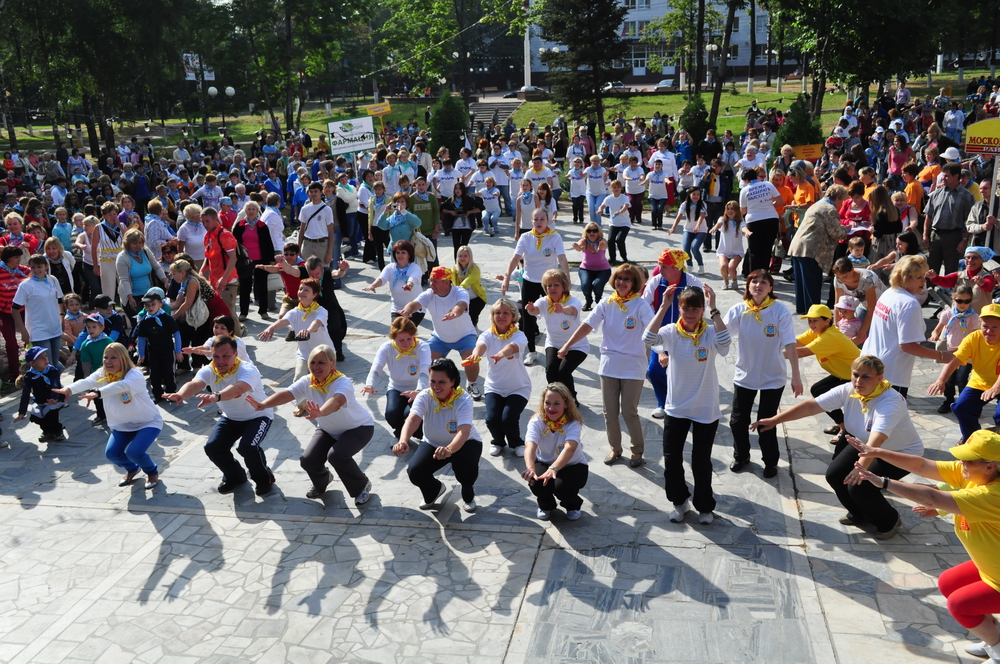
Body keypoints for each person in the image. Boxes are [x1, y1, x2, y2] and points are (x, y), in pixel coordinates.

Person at [846, 430, 1000, 660]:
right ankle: (995, 634)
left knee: (960, 605)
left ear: (990, 466)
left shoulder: (994, 495)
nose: (961, 463)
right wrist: (877, 452)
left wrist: (883, 482)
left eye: (967, 459)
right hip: (991, 569)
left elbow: (933, 497)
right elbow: (922, 465)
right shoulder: (976, 475)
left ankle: (997, 648)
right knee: (949, 583)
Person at [754, 355, 922, 539]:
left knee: (860, 486)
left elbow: (877, 441)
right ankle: (860, 513)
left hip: (899, 453)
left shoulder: (890, 402)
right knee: (835, 475)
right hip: (865, 443)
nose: (858, 381)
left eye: (866, 376)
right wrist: (775, 420)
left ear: (880, 379)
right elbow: (812, 406)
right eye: (856, 375)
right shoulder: (849, 390)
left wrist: (861, 469)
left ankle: (889, 520)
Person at [643, 284, 730, 524]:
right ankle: (680, 502)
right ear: (679, 309)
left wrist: (714, 309)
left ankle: (704, 506)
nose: (690, 313)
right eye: (685, 308)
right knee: (671, 460)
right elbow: (648, 338)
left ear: (701, 309)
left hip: (705, 409)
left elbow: (725, 346)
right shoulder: (671, 331)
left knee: (701, 461)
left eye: (695, 308)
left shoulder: (710, 332)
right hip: (676, 407)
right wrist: (663, 306)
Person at [248, 344, 374, 504]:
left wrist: (320, 412)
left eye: (321, 362)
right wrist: (264, 404)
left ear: (332, 363)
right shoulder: (307, 381)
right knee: (308, 460)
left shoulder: (342, 382)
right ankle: (323, 480)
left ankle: (361, 486)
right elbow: (287, 394)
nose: (316, 366)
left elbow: (336, 401)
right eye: (313, 362)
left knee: (337, 455)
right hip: (329, 429)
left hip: (358, 428)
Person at [560, 263, 652, 467]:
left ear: (634, 283)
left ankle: (637, 450)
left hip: (633, 364)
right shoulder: (606, 303)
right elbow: (587, 325)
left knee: (629, 411)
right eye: (619, 278)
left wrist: (663, 353)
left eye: (627, 279)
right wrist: (567, 344)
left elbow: (652, 330)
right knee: (609, 411)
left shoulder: (641, 305)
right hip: (610, 363)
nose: (622, 282)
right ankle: (615, 448)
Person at [163, 336, 277, 496]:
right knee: (213, 448)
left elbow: (238, 389)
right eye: (216, 356)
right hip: (231, 417)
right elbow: (195, 384)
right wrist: (180, 394)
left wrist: (216, 396)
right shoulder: (209, 370)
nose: (220, 361)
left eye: (226, 356)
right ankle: (236, 476)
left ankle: (263, 479)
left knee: (247, 447)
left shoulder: (248, 369)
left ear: (236, 354)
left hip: (258, 416)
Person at [725, 270, 802, 478]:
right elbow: (721, 336)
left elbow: (790, 344)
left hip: (772, 377)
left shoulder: (779, 311)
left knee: (766, 423)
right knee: (737, 421)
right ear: (748, 286)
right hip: (745, 375)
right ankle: (741, 456)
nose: (758, 285)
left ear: (771, 288)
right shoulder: (738, 310)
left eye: (764, 282)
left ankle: (770, 462)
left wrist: (796, 375)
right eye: (754, 282)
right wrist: (713, 310)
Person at [55, 343, 162, 490]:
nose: (108, 361)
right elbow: (87, 381)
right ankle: (132, 469)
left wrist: (98, 393)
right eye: (106, 357)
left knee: (134, 452)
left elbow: (121, 386)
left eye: (113, 358)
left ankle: (152, 472)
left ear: (123, 359)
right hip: (122, 425)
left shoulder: (134, 374)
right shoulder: (102, 374)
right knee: (112, 453)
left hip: (147, 422)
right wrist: (69, 389)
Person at [391, 358, 483, 513]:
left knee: (465, 471)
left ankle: (468, 493)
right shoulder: (425, 396)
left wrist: (449, 449)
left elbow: (464, 431)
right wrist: (403, 440)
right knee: (415, 471)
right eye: (433, 381)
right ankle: (434, 490)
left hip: (465, 443)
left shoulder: (463, 399)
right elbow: (413, 419)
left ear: (452, 381)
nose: (436, 386)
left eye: (442, 382)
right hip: (432, 443)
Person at [862, 255, 953, 397]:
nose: (924, 281)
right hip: (891, 375)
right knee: (889, 418)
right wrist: (941, 355)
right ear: (905, 277)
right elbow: (908, 345)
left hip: (870, 365)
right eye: (919, 277)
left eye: (924, 276)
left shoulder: (889, 293)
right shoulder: (909, 304)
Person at [399, 266, 482, 398]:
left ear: (446, 281)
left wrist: (454, 313)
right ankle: (424, 388)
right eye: (431, 281)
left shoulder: (460, 291)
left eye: (435, 281)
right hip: (440, 338)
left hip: (465, 336)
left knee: (471, 360)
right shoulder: (429, 294)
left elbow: (461, 305)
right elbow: (414, 303)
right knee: (423, 359)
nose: (432, 284)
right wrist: (407, 310)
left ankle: (472, 384)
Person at [501, 207, 569, 366]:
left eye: (542, 219)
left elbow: (562, 258)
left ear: (548, 220)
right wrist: (506, 278)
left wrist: (567, 277)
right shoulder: (525, 237)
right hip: (530, 281)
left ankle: (562, 347)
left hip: (549, 283)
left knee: (557, 314)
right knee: (527, 318)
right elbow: (515, 258)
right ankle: (531, 351)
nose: (539, 222)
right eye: (535, 219)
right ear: (531, 221)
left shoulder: (555, 237)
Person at [467, 298, 532, 458]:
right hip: (494, 387)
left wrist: (501, 354)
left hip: (518, 387)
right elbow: (480, 345)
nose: (501, 316)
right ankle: (498, 441)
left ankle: (517, 443)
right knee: (491, 419)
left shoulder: (520, 335)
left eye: (505, 313)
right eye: (497, 313)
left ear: (513, 316)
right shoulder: (488, 335)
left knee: (508, 419)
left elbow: (512, 347)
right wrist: (476, 354)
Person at [929, 303, 1000, 442]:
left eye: (995, 327)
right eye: (985, 326)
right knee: (961, 407)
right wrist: (941, 380)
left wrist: (996, 388)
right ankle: (971, 439)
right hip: (980, 381)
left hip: (998, 384)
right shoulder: (973, 338)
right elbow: (955, 360)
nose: (988, 331)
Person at [792, 304, 861, 440]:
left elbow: (801, 352)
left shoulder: (830, 336)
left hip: (858, 376)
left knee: (822, 392)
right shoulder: (816, 332)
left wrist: (771, 354)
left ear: (827, 321)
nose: (811, 324)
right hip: (843, 374)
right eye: (810, 320)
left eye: (815, 320)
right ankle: (842, 424)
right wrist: (771, 342)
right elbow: (794, 343)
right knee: (819, 390)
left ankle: (845, 428)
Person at [521, 382, 588, 521]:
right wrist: (530, 467)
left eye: (557, 403)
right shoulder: (537, 421)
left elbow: (570, 448)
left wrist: (554, 468)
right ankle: (546, 505)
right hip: (544, 462)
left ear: (566, 404)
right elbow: (530, 446)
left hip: (572, 465)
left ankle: (572, 505)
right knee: (536, 481)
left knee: (562, 487)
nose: (551, 408)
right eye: (548, 403)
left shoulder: (573, 423)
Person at [363, 317, 431, 440]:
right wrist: (370, 384)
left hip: (418, 389)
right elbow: (377, 366)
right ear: (394, 338)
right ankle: (400, 433)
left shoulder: (422, 347)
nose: (406, 343)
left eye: (409, 339)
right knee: (392, 414)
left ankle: (418, 433)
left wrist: (419, 390)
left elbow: (425, 370)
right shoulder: (387, 347)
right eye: (401, 340)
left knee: (410, 414)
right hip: (397, 387)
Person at [526, 269, 588, 402]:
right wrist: (531, 310)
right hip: (553, 343)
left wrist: (562, 309)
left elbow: (572, 310)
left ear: (564, 286)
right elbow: (536, 310)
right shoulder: (543, 301)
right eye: (549, 285)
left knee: (563, 372)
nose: (552, 288)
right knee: (551, 372)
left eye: (556, 285)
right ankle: (557, 401)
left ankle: (571, 399)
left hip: (576, 345)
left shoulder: (573, 301)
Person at [788, 185, 849, 314]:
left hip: (798, 247)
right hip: (812, 250)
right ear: (837, 197)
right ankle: (815, 315)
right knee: (812, 285)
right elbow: (836, 233)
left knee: (802, 285)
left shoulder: (817, 204)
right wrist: (846, 229)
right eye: (841, 200)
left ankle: (803, 310)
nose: (841, 204)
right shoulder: (829, 209)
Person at [257, 278, 334, 380]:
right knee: (298, 380)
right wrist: (271, 327)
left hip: (324, 354)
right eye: (300, 289)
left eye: (306, 290)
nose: (302, 292)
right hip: (304, 355)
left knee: (324, 382)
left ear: (314, 294)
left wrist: (308, 331)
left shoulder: (321, 311)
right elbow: (284, 321)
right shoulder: (295, 312)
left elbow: (317, 322)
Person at [927, 284, 980, 414]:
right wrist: (934, 335)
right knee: (949, 379)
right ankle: (949, 401)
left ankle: (965, 403)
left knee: (962, 379)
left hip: (967, 354)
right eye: (959, 300)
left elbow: (975, 337)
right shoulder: (948, 314)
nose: (963, 304)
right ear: (953, 299)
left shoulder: (973, 317)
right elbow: (937, 329)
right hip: (951, 351)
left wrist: (963, 347)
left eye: (966, 301)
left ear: (971, 301)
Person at [12, 254, 65, 371]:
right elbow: (14, 309)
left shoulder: (53, 280)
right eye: (33, 267)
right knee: (47, 364)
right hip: (38, 330)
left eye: (39, 267)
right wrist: (23, 330)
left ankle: (54, 386)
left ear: (46, 266)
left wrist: (62, 317)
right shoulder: (26, 285)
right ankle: (50, 388)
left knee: (55, 363)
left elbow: (60, 299)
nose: (36, 270)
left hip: (54, 327)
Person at [924, 162, 975, 275]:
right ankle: (930, 292)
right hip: (935, 235)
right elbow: (928, 215)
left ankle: (948, 292)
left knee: (951, 271)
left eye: (947, 175)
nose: (943, 178)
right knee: (931, 269)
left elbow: (971, 220)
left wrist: (964, 240)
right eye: (943, 175)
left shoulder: (967, 196)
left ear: (956, 176)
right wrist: (925, 235)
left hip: (954, 237)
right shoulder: (936, 194)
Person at [134, 290, 183, 403]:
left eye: (153, 304)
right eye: (147, 305)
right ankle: (158, 394)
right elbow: (141, 338)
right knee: (155, 373)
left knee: (168, 372)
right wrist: (141, 354)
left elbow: (176, 334)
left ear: (160, 304)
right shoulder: (145, 321)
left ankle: (171, 392)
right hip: (153, 351)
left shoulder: (167, 318)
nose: (150, 307)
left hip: (167, 350)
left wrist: (178, 351)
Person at [233, 201, 278, 322]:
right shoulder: (240, 226)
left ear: (257, 211)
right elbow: (234, 244)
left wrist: (271, 260)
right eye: (249, 209)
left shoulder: (262, 226)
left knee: (261, 285)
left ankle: (263, 311)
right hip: (244, 261)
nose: (251, 211)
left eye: (253, 209)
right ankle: (243, 312)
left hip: (261, 259)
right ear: (245, 211)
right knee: (245, 287)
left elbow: (269, 243)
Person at [362, 240, 423, 324]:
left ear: (409, 254)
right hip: (397, 308)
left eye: (403, 252)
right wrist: (373, 285)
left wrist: (409, 285)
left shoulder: (415, 267)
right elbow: (382, 279)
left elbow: (413, 278)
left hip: (415, 308)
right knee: (396, 334)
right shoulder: (390, 267)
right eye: (398, 252)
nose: (400, 255)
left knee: (406, 332)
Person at [14, 346, 66, 442]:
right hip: (39, 401)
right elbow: (25, 393)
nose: (46, 359)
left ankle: (58, 430)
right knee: (35, 416)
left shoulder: (52, 371)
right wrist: (22, 412)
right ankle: (46, 431)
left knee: (50, 413)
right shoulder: (29, 376)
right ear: (32, 363)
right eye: (41, 358)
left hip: (54, 399)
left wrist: (54, 398)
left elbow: (55, 385)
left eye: (45, 356)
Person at [738, 168, 783, 272]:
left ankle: (754, 275)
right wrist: (768, 204)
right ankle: (765, 275)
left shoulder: (745, 190)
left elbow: (743, 211)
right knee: (767, 250)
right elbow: (780, 201)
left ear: (746, 180)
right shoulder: (768, 184)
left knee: (754, 251)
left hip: (754, 220)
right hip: (771, 218)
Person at [297, 182, 335, 265]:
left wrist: (329, 252)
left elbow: (331, 232)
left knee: (322, 271)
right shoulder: (305, 209)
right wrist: (299, 248)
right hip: (308, 243)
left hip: (322, 244)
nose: (313, 194)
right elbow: (302, 229)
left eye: (316, 191)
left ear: (321, 192)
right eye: (311, 191)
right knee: (306, 271)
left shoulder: (327, 209)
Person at [597, 180, 632, 264]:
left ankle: (624, 258)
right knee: (610, 240)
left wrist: (620, 211)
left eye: (618, 187)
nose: (616, 189)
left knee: (619, 240)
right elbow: (603, 205)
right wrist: (600, 209)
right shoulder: (609, 198)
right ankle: (612, 258)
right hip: (614, 223)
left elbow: (626, 206)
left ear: (621, 188)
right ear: (611, 189)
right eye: (614, 187)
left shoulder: (624, 197)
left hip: (625, 224)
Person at [452, 245, 487, 327]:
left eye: (465, 256)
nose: (462, 258)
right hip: (462, 299)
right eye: (460, 256)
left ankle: (474, 333)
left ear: (470, 257)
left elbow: (468, 280)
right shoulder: (454, 269)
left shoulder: (475, 269)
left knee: (472, 319)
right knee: (463, 320)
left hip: (476, 299)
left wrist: (460, 288)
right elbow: (452, 281)